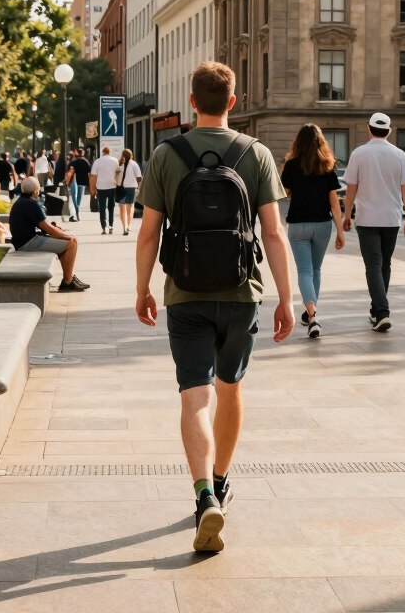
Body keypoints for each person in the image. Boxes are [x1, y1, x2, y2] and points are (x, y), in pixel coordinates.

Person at [135, 61, 293, 553]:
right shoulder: (257, 153)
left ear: (191, 98)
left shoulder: (166, 154)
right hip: (242, 292)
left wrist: (142, 288)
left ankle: (204, 495)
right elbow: (273, 232)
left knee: (194, 396)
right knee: (230, 388)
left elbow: (147, 233)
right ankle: (222, 481)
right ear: (232, 100)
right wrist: (290, 298)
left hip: (184, 293)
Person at [342, 113, 405, 333]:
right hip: (392, 218)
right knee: (385, 265)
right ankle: (377, 310)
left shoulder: (358, 153)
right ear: (389, 131)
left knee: (373, 265)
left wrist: (347, 215)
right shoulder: (399, 154)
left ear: (368, 129)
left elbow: (351, 189)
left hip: (367, 218)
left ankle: (382, 312)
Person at [280, 123, 346, 338]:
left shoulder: (291, 165)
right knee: (315, 270)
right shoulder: (328, 165)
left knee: (305, 271)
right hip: (322, 225)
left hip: (298, 224)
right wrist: (340, 231)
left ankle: (312, 316)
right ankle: (312, 314)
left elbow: (285, 192)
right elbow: (335, 204)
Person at [9, 177, 88, 291]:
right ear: (36, 191)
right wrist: (64, 235)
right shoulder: (32, 204)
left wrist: (57, 232)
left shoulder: (20, 201)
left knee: (65, 242)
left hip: (22, 241)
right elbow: (49, 229)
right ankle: (67, 281)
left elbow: (43, 226)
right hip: (27, 243)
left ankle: (69, 278)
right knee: (72, 242)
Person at [90, 145, 119, 234]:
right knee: (111, 207)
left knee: (102, 207)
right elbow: (118, 173)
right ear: (109, 152)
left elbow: (94, 176)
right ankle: (111, 226)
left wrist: (92, 188)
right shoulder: (115, 161)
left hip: (101, 187)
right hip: (112, 186)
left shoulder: (97, 161)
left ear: (103, 152)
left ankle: (103, 226)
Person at [116, 148, 143, 236]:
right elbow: (139, 177)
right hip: (131, 187)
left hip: (120, 188)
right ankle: (128, 225)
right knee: (130, 207)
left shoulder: (119, 164)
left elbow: (115, 177)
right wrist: (140, 187)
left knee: (122, 207)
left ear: (122, 155)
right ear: (131, 155)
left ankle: (124, 226)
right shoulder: (134, 164)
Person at [66, 148, 92, 223]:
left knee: (74, 198)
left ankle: (76, 213)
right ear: (82, 153)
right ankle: (77, 212)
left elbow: (68, 172)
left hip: (74, 181)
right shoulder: (86, 161)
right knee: (79, 198)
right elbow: (89, 173)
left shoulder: (73, 162)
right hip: (83, 182)